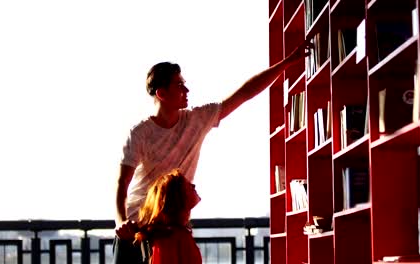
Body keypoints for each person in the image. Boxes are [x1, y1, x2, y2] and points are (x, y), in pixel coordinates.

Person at [113, 40, 312, 263]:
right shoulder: (140, 133)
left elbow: (244, 94)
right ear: (161, 93)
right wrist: (121, 222)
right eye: (179, 85)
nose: (187, 89)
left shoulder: (197, 120)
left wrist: (287, 62)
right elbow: (122, 183)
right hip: (137, 230)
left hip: (171, 229)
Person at [116, 169, 202, 264]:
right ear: (177, 197)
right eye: (188, 185)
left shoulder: (178, 234)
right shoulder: (171, 239)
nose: (193, 185)